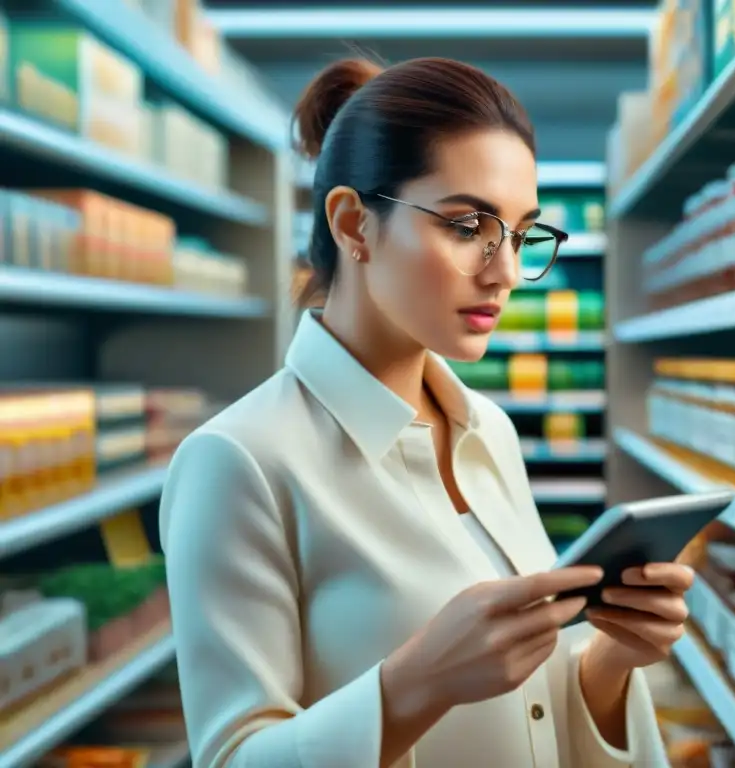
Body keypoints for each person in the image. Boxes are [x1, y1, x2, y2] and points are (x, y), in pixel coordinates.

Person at [159, 56, 693, 768]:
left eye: (519, 232)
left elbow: (536, 711)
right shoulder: (238, 460)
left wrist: (611, 660)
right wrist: (416, 686)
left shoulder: (489, 431)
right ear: (354, 224)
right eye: (468, 224)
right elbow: (232, 757)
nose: (504, 272)